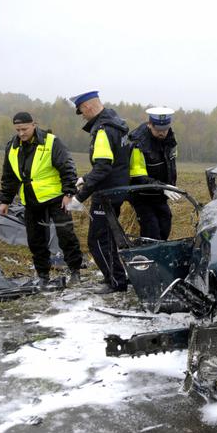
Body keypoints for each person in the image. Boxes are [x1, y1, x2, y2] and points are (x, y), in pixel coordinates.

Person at [0, 112, 83, 287]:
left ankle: (75, 271)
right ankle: (43, 274)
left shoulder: (51, 142)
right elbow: (9, 176)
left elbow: (67, 167)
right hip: (31, 199)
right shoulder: (12, 147)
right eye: (18, 129)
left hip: (56, 198)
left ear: (34, 124)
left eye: (24, 129)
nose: (21, 133)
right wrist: (5, 200)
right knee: (35, 240)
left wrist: (68, 193)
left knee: (66, 235)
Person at [69, 91, 130, 294]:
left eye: (81, 112)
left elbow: (103, 167)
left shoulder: (102, 130)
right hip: (118, 190)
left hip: (106, 193)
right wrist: (86, 178)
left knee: (97, 240)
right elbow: (115, 163)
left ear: (87, 107)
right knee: (109, 238)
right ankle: (118, 278)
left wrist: (80, 197)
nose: (82, 116)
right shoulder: (117, 124)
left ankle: (115, 282)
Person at [128, 107, 180, 240]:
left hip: (160, 196)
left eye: (165, 129)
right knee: (152, 232)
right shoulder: (138, 145)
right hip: (142, 196)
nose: (162, 133)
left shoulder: (170, 140)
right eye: (158, 130)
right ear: (149, 124)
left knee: (165, 226)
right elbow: (138, 177)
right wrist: (163, 187)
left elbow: (171, 165)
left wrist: (167, 186)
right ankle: (148, 259)